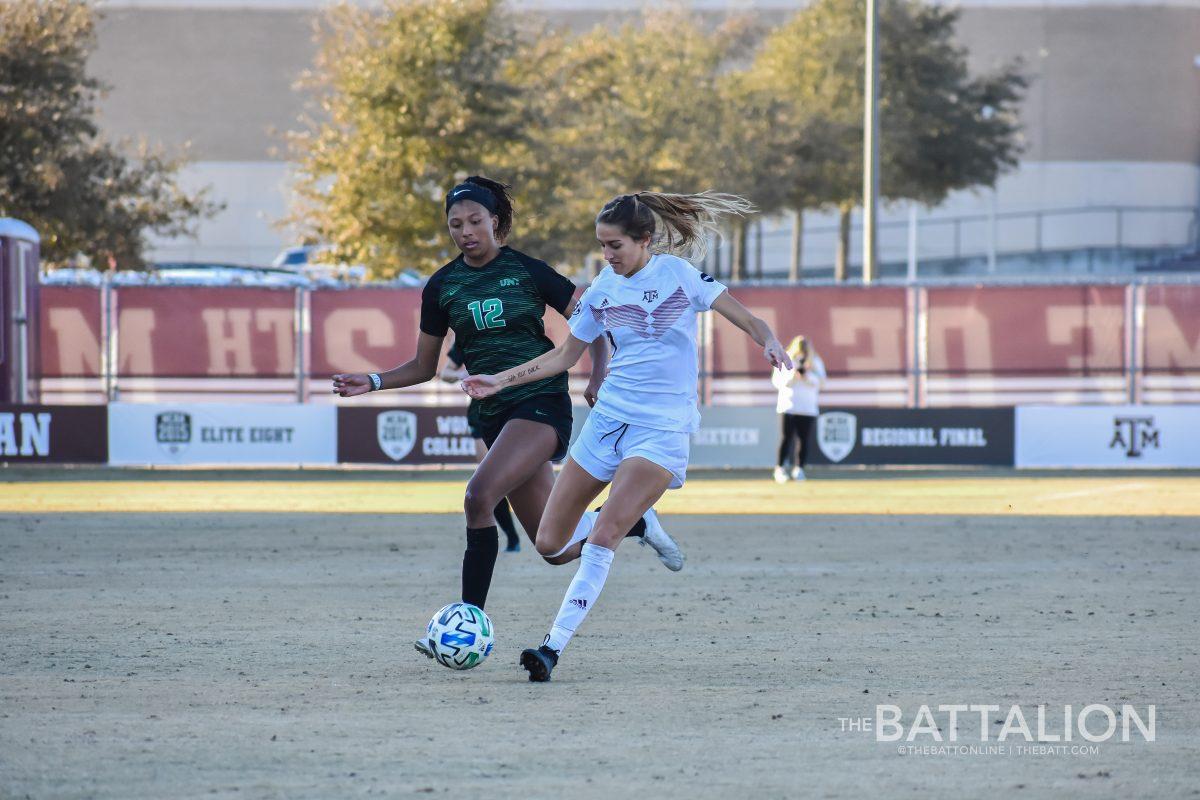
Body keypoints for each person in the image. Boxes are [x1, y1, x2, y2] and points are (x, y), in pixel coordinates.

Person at [331, 176, 682, 662]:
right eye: (456, 224)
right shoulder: (442, 286)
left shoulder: (527, 270)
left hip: (540, 404)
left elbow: (593, 316)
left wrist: (597, 374)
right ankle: (631, 523)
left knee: (478, 495)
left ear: (495, 221)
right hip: (494, 412)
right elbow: (423, 367)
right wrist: (371, 382)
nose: (466, 231)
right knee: (553, 548)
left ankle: (463, 623)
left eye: (475, 220)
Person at [462, 190, 792, 681]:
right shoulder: (602, 288)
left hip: (661, 429)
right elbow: (562, 357)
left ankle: (551, 648)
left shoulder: (679, 277)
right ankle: (641, 524)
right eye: (601, 245)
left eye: (614, 245)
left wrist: (768, 340)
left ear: (645, 240)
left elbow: (745, 317)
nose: (607, 255)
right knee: (550, 544)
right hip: (607, 422)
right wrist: (499, 378)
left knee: (602, 536)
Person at [439, 339, 521, 552]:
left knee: (523, 479)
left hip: (519, 409)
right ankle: (512, 537)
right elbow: (446, 373)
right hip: (482, 414)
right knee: (489, 481)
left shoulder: (517, 333)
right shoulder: (467, 339)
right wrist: (462, 376)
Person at [772, 335, 825, 482]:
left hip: (808, 408)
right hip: (788, 406)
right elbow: (777, 382)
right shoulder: (785, 359)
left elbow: (822, 383)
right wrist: (793, 375)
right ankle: (780, 469)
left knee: (804, 440)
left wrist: (808, 375)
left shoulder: (815, 362)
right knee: (786, 438)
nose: (802, 352)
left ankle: (799, 469)